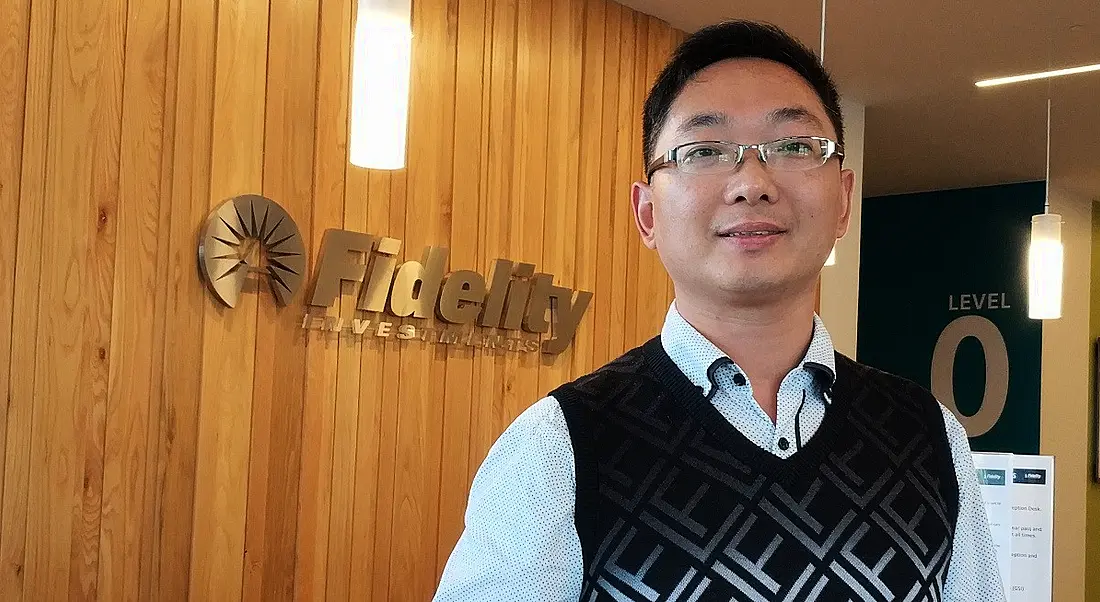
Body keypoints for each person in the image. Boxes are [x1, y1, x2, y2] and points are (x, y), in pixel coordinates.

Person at [433, 20, 1005, 602]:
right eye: (704, 150)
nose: (752, 182)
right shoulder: (559, 448)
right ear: (648, 213)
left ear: (843, 201)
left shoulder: (928, 434)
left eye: (794, 147)